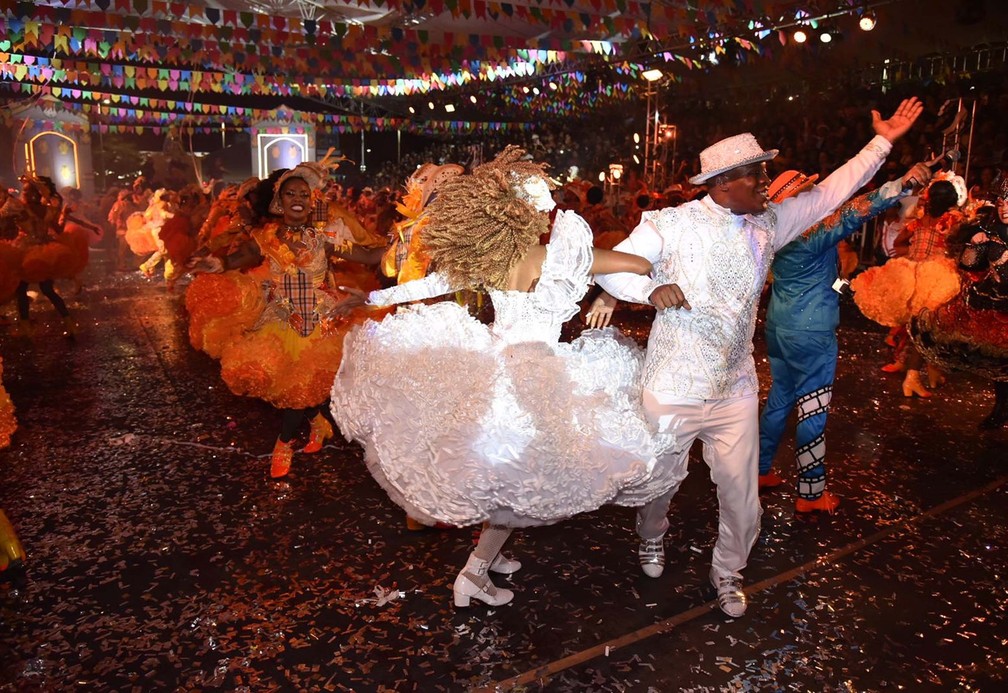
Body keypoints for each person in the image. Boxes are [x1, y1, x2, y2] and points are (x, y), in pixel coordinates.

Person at [594, 97, 923, 618]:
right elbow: (609, 268)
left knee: (743, 496)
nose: (766, 185)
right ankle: (651, 534)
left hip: (735, 386)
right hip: (673, 384)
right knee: (658, 482)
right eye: (757, 175)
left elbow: (836, 188)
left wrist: (883, 141)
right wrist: (648, 288)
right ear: (724, 182)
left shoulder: (769, 223)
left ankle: (728, 571)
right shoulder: (670, 224)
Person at [330, 146, 672, 608]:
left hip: (493, 364)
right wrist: (608, 294)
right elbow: (639, 265)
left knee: (501, 473)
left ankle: (489, 557)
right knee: (521, 478)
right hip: (540, 374)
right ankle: (473, 575)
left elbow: (428, 286)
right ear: (533, 214)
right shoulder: (564, 256)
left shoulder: (489, 258)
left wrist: (366, 300)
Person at [192, 153, 385, 478]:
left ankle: (284, 443)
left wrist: (411, 241)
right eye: (290, 194)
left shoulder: (325, 239)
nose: (297, 199)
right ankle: (318, 423)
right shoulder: (266, 238)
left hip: (322, 319)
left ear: (311, 202)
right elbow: (242, 255)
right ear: (279, 201)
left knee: (300, 385)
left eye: (303, 195)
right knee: (290, 383)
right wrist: (219, 264)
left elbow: (369, 254)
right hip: (281, 318)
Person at [757, 162, 933, 513]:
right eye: (810, 192)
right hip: (813, 332)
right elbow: (857, 211)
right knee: (813, 410)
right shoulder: (813, 232)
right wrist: (903, 184)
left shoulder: (770, 233)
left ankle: (759, 470)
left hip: (779, 326)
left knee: (779, 399)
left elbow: (825, 277)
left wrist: (843, 287)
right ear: (798, 201)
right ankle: (810, 493)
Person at [851, 175, 967, 396]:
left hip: (915, 275)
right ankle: (913, 376)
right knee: (924, 329)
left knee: (919, 327)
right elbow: (957, 247)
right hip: (934, 279)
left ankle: (925, 369)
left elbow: (898, 243)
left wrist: (913, 256)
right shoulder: (952, 220)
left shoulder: (921, 220)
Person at [912, 176, 1008, 429]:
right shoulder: (991, 231)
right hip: (997, 306)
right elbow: (968, 265)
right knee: (1001, 366)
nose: (1004, 208)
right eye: (1000, 203)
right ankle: (1000, 409)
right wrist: (975, 246)